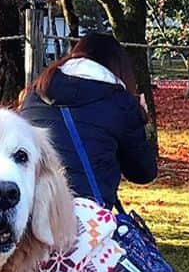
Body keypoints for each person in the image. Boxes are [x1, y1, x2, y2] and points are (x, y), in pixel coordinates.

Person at [19, 33, 156, 209]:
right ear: (119, 67)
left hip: (34, 210)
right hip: (88, 218)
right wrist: (140, 118)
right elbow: (143, 173)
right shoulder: (121, 102)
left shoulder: (33, 94)